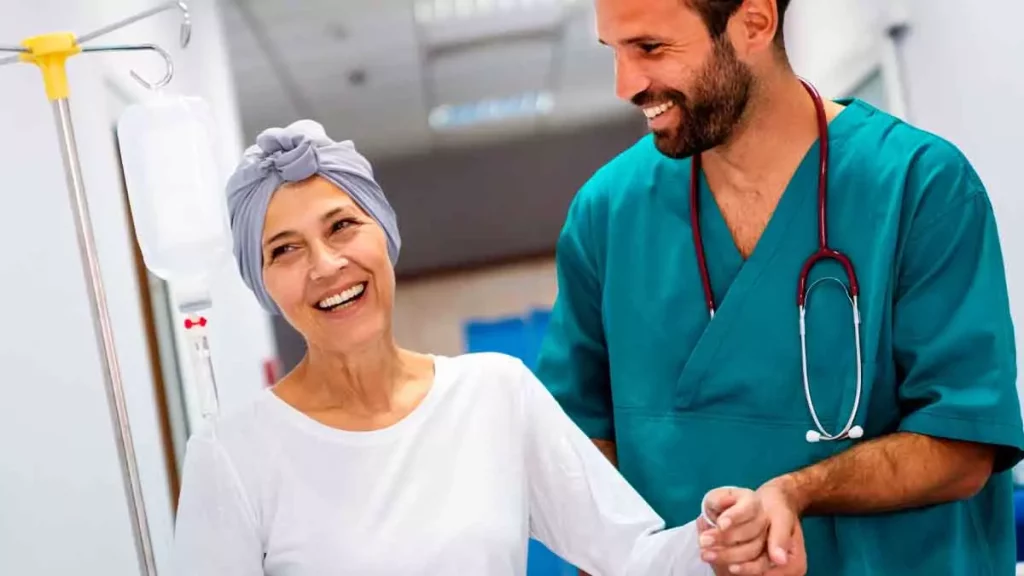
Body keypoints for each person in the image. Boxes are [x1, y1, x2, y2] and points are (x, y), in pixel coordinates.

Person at [169, 120, 806, 576]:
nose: (326, 264)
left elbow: (630, 557)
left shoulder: (493, 393)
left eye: (342, 226)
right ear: (263, 283)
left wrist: (719, 542)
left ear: (383, 235)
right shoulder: (233, 457)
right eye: (285, 249)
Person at [534, 0, 1024, 574]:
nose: (626, 84)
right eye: (613, 52)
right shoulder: (607, 216)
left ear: (755, 23)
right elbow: (581, 451)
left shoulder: (918, 187)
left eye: (650, 49)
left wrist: (798, 491)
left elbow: (965, 442)